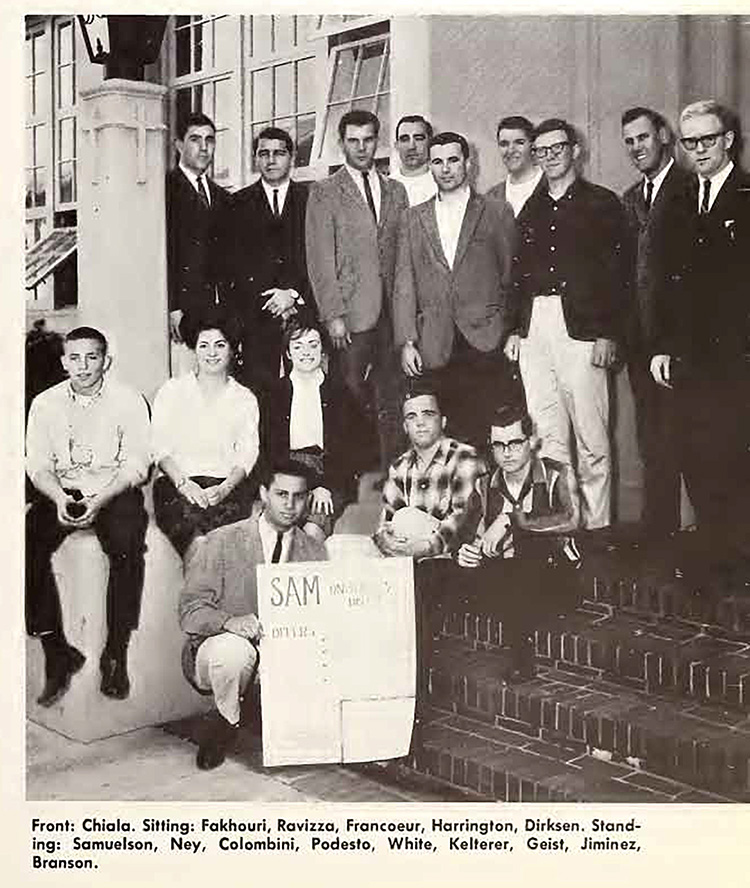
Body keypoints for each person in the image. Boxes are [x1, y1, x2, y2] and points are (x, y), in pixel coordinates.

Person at [505, 118, 628, 530]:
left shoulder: (603, 203)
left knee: (592, 435)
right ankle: (562, 528)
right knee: (546, 434)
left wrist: (608, 332)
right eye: (541, 151)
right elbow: (516, 277)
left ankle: (598, 529)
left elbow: (619, 275)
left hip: (583, 328)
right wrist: (514, 330)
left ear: (576, 150)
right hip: (535, 326)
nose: (549, 157)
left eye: (556, 149)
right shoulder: (529, 210)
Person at [25, 327, 150, 705]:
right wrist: (59, 497)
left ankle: (115, 652)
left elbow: (137, 465)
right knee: (24, 542)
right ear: (64, 363)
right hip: (64, 490)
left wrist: (102, 498)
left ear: (105, 360)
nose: (83, 366)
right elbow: (38, 465)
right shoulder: (44, 404)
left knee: (127, 546)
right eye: (74, 358)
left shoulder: (129, 401)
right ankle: (56, 649)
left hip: (112, 490)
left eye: (91, 357)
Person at [650, 99, 750, 568]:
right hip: (688, 359)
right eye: (690, 143)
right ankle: (715, 554)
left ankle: (738, 556)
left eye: (707, 140)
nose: (698, 150)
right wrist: (662, 347)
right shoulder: (679, 198)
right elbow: (667, 280)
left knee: (733, 453)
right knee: (694, 452)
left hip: (737, 359)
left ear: (729, 140)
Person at [178, 459, 328, 770]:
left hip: (279, 652)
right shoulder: (222, 540)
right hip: (219, 649)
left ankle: (275, 719)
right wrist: (229, 622)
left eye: (299, 497)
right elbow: (190, 611)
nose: (290, 505)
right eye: (281, 494)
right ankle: (225, 722)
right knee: (233, 652)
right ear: (263, 493)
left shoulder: (314, 552)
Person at [421, 405, 580, 679]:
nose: (506, 453)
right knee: (429, 572)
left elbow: (571, 519)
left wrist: (511, 519)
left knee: (523, 558)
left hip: (554, 577)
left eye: (515, 443)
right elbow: (465, 531)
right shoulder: (485, 484)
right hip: (504, 578)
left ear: (531, 442)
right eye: (498, 445)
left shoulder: (557, 474)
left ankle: (522, 662)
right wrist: (463, 551)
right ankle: (420, 663)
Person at [393, 130, 522, 449]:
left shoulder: (496, 211)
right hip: (434, 342)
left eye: (453, 160)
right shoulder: (412, 218)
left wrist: (512, 330)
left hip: (485, 339)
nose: (445, 168)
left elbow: (511, 276)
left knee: (487, 430)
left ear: (468, 162)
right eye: (437, 162)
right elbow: (404, 283)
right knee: (442, 437)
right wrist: (407, 340)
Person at [306, 109, 409, 475]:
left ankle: (392, 478)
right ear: (341, 143)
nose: (362, 148)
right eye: (353, 141)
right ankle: (347, 480)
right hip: (350, 315)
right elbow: (320, 259)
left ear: (377, 141)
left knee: (392, 398)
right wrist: (333, 315)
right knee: (349, 396)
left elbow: (402, 255)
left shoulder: (396, 190)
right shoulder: (325, 191)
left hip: (391, 317)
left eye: (368, 140)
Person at [620, 106, 692, 535]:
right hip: (640, 342)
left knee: (691, 437)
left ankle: (702, 540)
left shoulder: (691, 189)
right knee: (651, 439)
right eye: (629, 141)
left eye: (642, 138)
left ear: (664, 136)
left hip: (682, 341)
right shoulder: (630, 199)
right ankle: (660, 533)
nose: (636, 147)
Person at [151, 311, 260, 561]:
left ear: (233, 350)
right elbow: (159, 447)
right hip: (177, 485)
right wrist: (184, 484)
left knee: (219, 546)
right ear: (194, 349)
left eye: (220, 345)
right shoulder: (173, 391)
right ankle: (201, 600)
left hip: (228, 487)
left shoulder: (244, 398)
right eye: (204, 345)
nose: (211, 353)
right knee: (198, 544)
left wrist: (224, 488)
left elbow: (247, 453)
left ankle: (201, 600)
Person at [221, 127, 312, 394]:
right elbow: (231, 268)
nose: (271, 160)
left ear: (292, 157)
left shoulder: (312, 199)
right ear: (255, 158)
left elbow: (321, 258)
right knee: (260, 398)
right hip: (254, 323)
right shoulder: (236, 205)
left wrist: (293, 294)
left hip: (303, 314)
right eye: (264, 154)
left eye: (279, 153)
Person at [263, 321, 359, 542]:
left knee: (311, 535)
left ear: (322, 350)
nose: (306, 352)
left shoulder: (340, 392)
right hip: (285, 471)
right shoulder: (274, 393)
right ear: (287, 353)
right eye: (297, 347)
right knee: (274, 537)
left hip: (328, 471)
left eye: (312, 345)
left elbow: (352, 449)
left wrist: (327, 485)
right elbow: (268, 447)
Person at [374, 383, 482, 559]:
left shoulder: (465, 457)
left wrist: (422, 548)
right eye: (411, 416)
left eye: (428, 414)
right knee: (340, 545)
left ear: (443, 421)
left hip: (449, 557)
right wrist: (387, 542)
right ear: (405, 427)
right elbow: (386, 521)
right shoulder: (399, 467)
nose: (420, 422)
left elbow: (461, 522)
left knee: (406, 518)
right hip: (406, 553)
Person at [166, 112, 230, 347]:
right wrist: (172, 306)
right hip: (182, 311)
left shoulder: (223, 197)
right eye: (195, 139)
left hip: (218, 310)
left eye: (210, 140)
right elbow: (162, 254)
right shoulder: (164, 192)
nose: (204, 148)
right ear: (179, 145)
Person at [485, 115, 544, 219]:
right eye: (504, 144)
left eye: (519, 143)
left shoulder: (552, 185)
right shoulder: (492, 196)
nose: (511, 150)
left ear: (532, 145)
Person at [390, 114, 438, 207]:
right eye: (404, 139)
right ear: (396, 146)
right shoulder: (385, 188)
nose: (411, 146)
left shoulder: (443, 184)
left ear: (430, 143)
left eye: (419, 139)